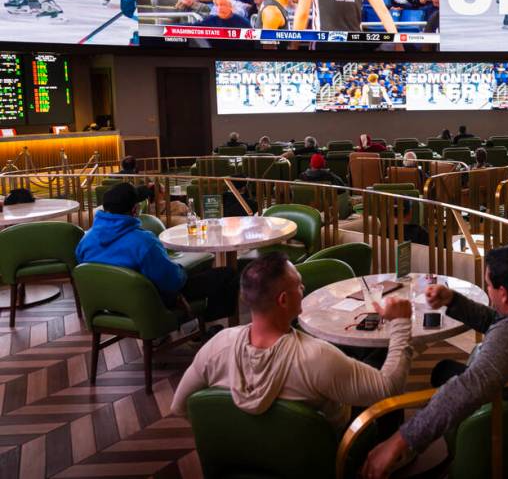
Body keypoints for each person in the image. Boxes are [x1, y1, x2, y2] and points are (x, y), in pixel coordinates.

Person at [361, 245, 508, 478]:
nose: (488, 290)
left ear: (503, 293)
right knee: (443, 370)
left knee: (445, 378)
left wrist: (400, 440)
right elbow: (501, 320)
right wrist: (453, 300)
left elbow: (466, 388)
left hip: (507, 424)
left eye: (488, 285)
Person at [171, 252, 414, 429]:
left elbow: (179, 407)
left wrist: (237, 435)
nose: (304, 287)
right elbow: (388, 388)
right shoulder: (317, 357)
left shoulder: (217, 346)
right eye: (299, 285)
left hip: (250, 459)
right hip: (325, 454)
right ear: (284, 300)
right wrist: (401, 322)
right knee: (379, 357)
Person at [76, 183, 239, 324]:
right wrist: (182, 270)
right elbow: (172, 282)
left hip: (107, 305)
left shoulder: (85, 240)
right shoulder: (143, 241)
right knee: (228, 275)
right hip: (146, 305)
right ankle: (207, 325)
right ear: (134, 210)